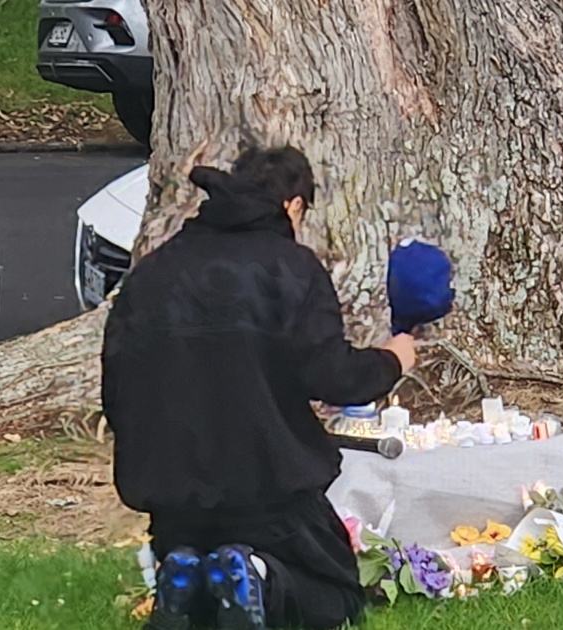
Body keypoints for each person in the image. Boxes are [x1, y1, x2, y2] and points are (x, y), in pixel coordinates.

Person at [101, 145, 416, 630]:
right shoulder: (291, 267)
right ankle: (259, 574)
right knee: (337, 595)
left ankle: (180, 570)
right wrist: (392, 358)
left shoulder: (154, 271)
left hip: (172, 498)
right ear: (293, 206)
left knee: (203, 586)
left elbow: (117, 386)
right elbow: (331, 375)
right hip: (269, 493)